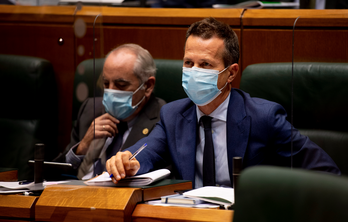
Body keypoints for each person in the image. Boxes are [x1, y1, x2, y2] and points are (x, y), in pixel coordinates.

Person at [106, 18, 340, 188]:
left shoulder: (263, 117)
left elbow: (325, 173)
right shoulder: (173, 115)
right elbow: (148, 151)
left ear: (231, 73)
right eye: (188, 63)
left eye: (205, 65)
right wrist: (129, 160)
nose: (194, 72)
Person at [54, 44, 166, 179]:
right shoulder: (90, 109)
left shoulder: (164, 119)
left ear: (147, 86)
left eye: (121, 85)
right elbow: (54, 175)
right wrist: (82, 148)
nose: (111, 92)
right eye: (106, 84)